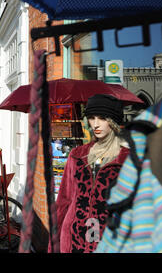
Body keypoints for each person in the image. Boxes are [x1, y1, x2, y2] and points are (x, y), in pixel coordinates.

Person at [52, 94, 130, 253]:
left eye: (102, 118)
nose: (95, 124)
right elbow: (63, 202)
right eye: (91, 118)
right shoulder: (77, 155)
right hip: (72, 241)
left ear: (113, 121)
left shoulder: (128, 160)